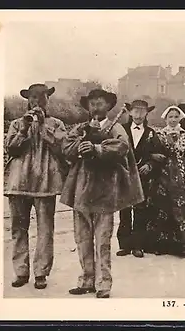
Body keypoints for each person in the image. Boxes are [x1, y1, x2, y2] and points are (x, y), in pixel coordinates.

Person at [61, 89, 144, 298]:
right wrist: (82, 144)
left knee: (103, 240)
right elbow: (66, 148)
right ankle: (86, 279)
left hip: (105, 192)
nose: (95, 107)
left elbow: (122, 146)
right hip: (81, 191)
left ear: (108, 106)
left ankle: (103, 283)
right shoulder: (81, 128)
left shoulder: (116, 128)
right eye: (92, 104)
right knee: (82, 238)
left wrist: (97, 148)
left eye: (100, 103)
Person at [4, 84, 67, 290]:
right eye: (33, 98)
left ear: (48, 100)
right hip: (19, 183)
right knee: (18, 230)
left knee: (45, 231)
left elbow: (62, 150)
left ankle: (41, 273)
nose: (37, 102)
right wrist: (24, 129)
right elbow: (11, 148)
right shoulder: (16, 123)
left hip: (45, 184)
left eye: (42, 98)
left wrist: (42, 128)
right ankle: (21, 272)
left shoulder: (57, 124)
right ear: (28, 100)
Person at [146, 105, 185, 257]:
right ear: (165, 118)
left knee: (183, 206)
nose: (173, 119)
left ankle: (183, 244)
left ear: (180, 119)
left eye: (176, 117)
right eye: (170, 117)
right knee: (164, 205)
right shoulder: (159, 134)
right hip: (164, 174)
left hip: (183, 176)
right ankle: (163, 244)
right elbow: (152, 152)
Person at [116, 100, 165, 258]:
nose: (138, 115)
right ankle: (124, 245)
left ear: (146, 114)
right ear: (129, 113)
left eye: (142, 112)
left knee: (140, 209)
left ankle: (138, 245)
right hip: (123, 174)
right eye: (135, 111)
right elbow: (112, 148)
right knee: (124, 209)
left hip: (142, 176)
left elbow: (159, 154)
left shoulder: (151, 133)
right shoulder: (120, 129)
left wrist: (150, 165)